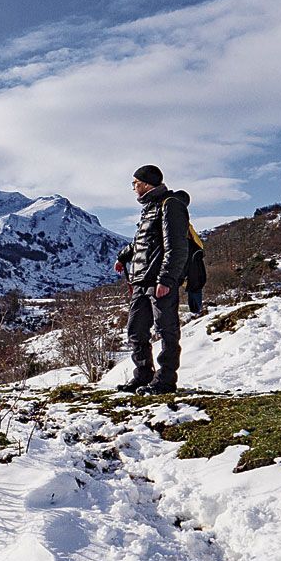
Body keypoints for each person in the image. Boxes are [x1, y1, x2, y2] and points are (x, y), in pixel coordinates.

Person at [114, 165, 189, 395]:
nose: (133, 187)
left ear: (146, 183)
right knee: (136, 330)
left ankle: (165, 381)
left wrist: (166, 279)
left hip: (159, 280)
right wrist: (123, 256)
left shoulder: (170, 205)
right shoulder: (150, 208)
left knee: (166, 330)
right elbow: (142, 241)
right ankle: (143, 376)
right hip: (141, 280)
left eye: (135, 183)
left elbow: (177, 246)